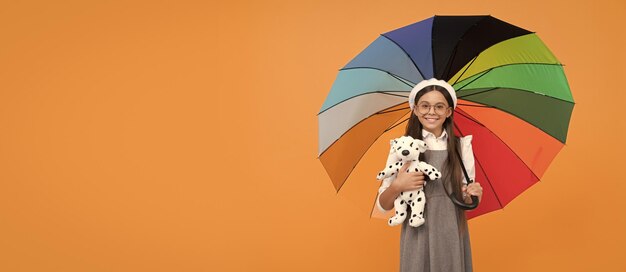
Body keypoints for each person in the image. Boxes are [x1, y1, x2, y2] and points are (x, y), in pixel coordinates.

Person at [376, 78, 483, 272]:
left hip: (451, 231)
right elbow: (384, 204)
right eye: (425, 106)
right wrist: (398, 186)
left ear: (448, 112)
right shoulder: (401, 149)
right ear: (415, 109)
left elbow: (466, 198)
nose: (431, 112)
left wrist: (473, 194)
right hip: (417, 232)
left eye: (439, 106)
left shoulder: (462, 146)